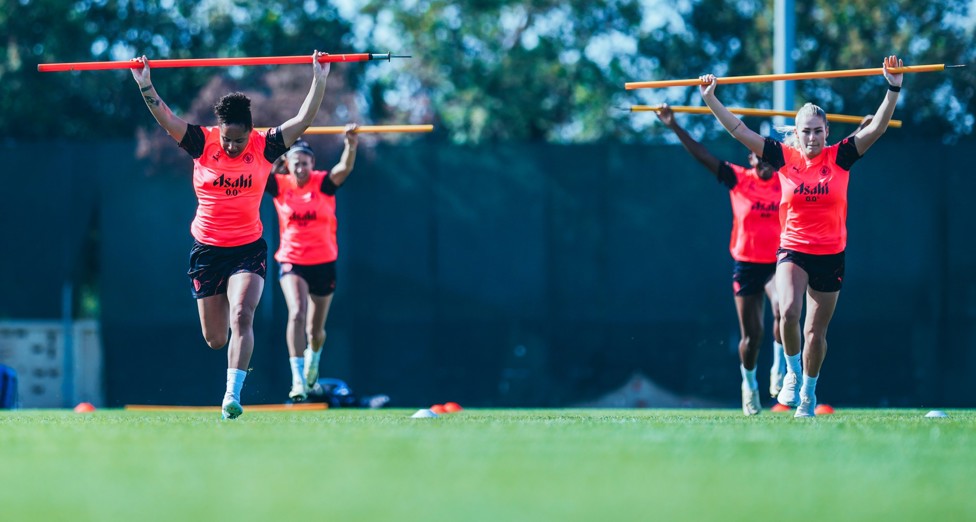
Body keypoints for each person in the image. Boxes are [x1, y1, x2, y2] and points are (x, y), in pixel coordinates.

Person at [699, 55, 904, 417]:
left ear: (827, 132)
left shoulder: (840, 156)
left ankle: (808, 394)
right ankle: (791, 376)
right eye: (805, 131)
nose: (811, 137)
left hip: (831, 254)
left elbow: (877, 128)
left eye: (817, 130)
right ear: (796, 133)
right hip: (793, 249)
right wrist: (712, 99)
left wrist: (892, 88)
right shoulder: (783, 156)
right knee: (788, 311)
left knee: (815, 334)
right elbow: (739, 131)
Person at [131, 51, 331, 419]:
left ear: (249, 133)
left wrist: (319, 76)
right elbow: (165, 117)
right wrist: (145, 82)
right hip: (206, 251)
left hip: (247, 250)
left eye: (238, 141)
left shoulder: (265, 146)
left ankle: (231, 396)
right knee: (215, 338)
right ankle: (230, 379)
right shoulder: (200, 142)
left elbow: (303, 120)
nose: (231, 147)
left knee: (243, 314)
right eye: (227, 139)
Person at [654, 104, 784, 416]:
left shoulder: (785, 182)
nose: (765, 163)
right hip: (747, 263)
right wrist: (674, 126)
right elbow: (703, 155)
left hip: (778, 262)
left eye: (770, 158)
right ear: (751, 158)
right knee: (752, 338)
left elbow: (828, 160)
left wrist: (863, 130)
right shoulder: (740, 179)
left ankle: (780, 370)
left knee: (784, 308)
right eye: (760, 158)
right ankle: (749, 383)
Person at [265, 126, 358, 402]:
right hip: (292, 260)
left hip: (324, 262)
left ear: (312, 164)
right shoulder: (280, 185)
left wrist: (350, 144)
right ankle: (297, 380)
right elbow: (258, 168)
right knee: (297, 311)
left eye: (305, 163)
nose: (301, 169)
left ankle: (312, 362)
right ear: (288, 165)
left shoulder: (323, 183)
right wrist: (269, 144)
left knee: (315, 331)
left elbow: (344, 168)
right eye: (296, 164)